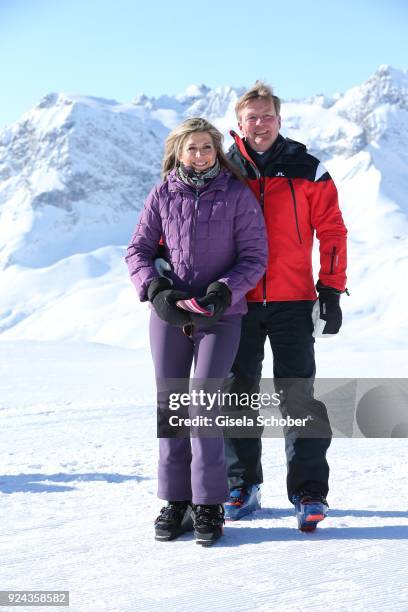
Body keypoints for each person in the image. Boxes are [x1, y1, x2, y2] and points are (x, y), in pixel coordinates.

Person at [125, 117, 267, 545]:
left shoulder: (237, 195)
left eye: (207, 147)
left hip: (220, 314)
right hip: (169, 314)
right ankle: (177, 502)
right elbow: (138, 249)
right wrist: (154, 288)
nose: (201, 155)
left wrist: (225, 292)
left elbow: (255, 256)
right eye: (193, 148)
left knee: (204, 402)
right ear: (179, 151)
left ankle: (208, 503)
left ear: (216, 151)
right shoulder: (162, 193)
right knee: (173, 404)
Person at [223, 82, 348, 530]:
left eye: (267, 116)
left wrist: (331, 289)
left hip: (294, 301)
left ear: (279, 119)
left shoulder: (308, 168)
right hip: (238, 301)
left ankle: (309, 492)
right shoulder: (225, 169)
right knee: (237, 394)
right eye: (251, 118)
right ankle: (242, 484)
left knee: (298, 396)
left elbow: (332, 230)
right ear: (239, 124)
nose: (260, 124)